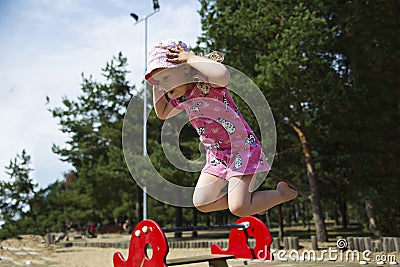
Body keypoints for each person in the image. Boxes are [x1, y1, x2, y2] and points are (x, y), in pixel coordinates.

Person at [146, 39, 297, 217]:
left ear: (184, 67)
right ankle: (253, 203)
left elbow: (223, 74)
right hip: (217, 155)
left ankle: (280, 194)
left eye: (165, 78)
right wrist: (155, 83)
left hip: (241, 148)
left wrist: (190, 57)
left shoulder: (207, 84)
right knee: (202, 202)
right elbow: (162, 112)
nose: (162, 85)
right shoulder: (182, 98)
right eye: (159, 82)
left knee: (238, 209)